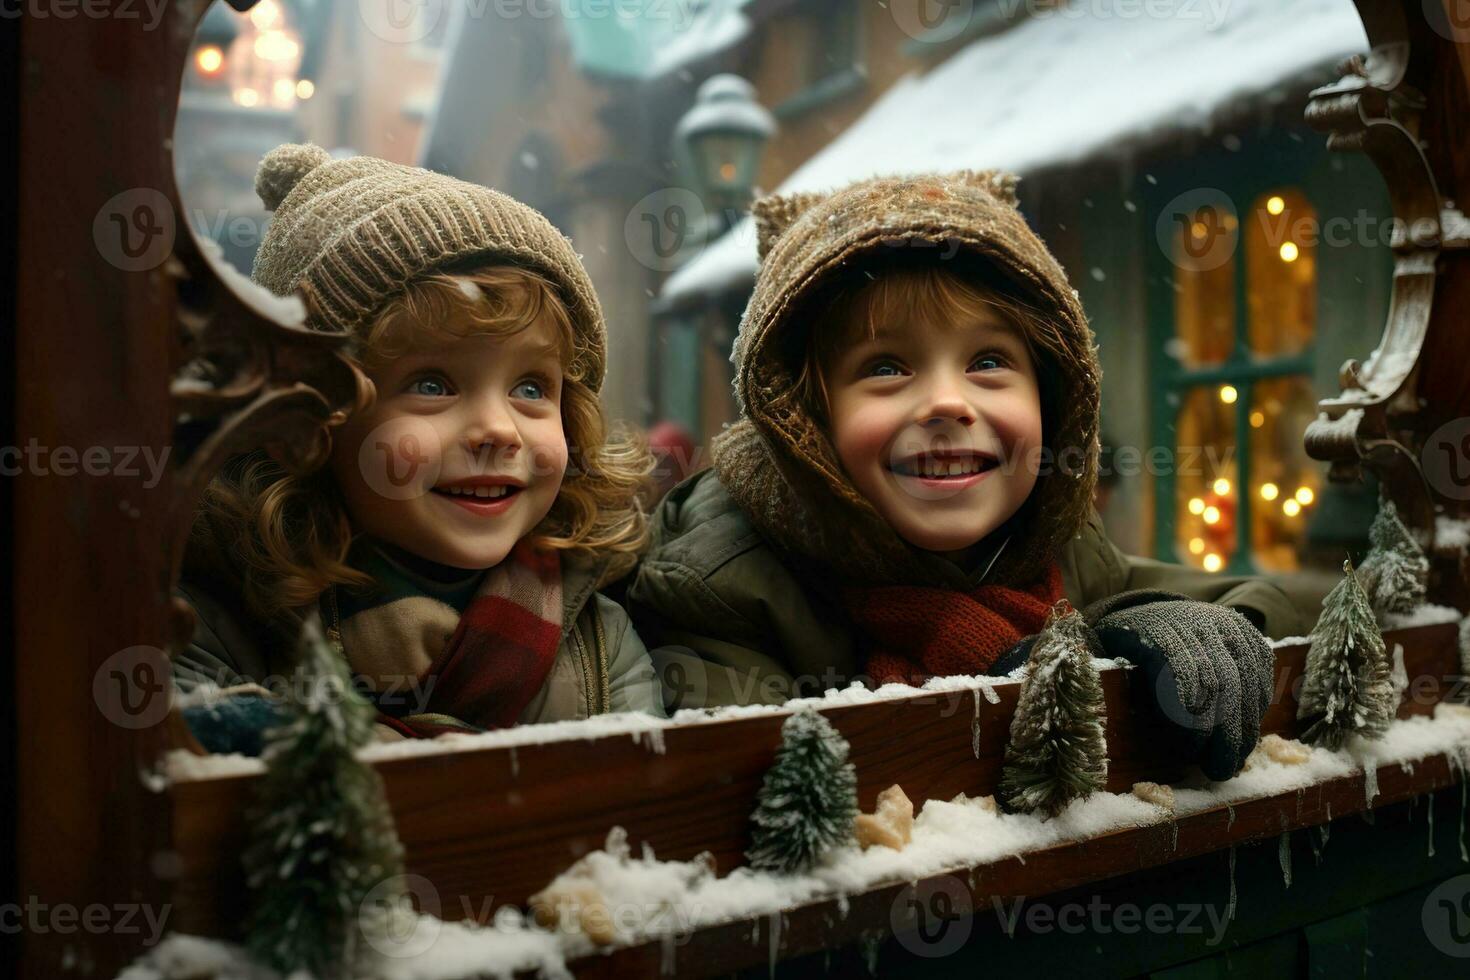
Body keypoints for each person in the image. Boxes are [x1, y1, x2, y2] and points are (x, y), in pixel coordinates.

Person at [628, 170, 1324, 780]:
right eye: (887, 368)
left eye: (988, 361)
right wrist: (1019, 673)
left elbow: (1271, 606)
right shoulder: (723, 586)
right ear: (804, 423)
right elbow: (776, 797)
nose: (947, 403)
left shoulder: (1053, 544)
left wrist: (1136, 627)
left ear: (1052, 400)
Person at [174, 143, 662, 754]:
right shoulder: (222, 610)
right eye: (432, 385)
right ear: (312, 418)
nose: (500, 430)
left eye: (531, 388)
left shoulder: (600, 639)